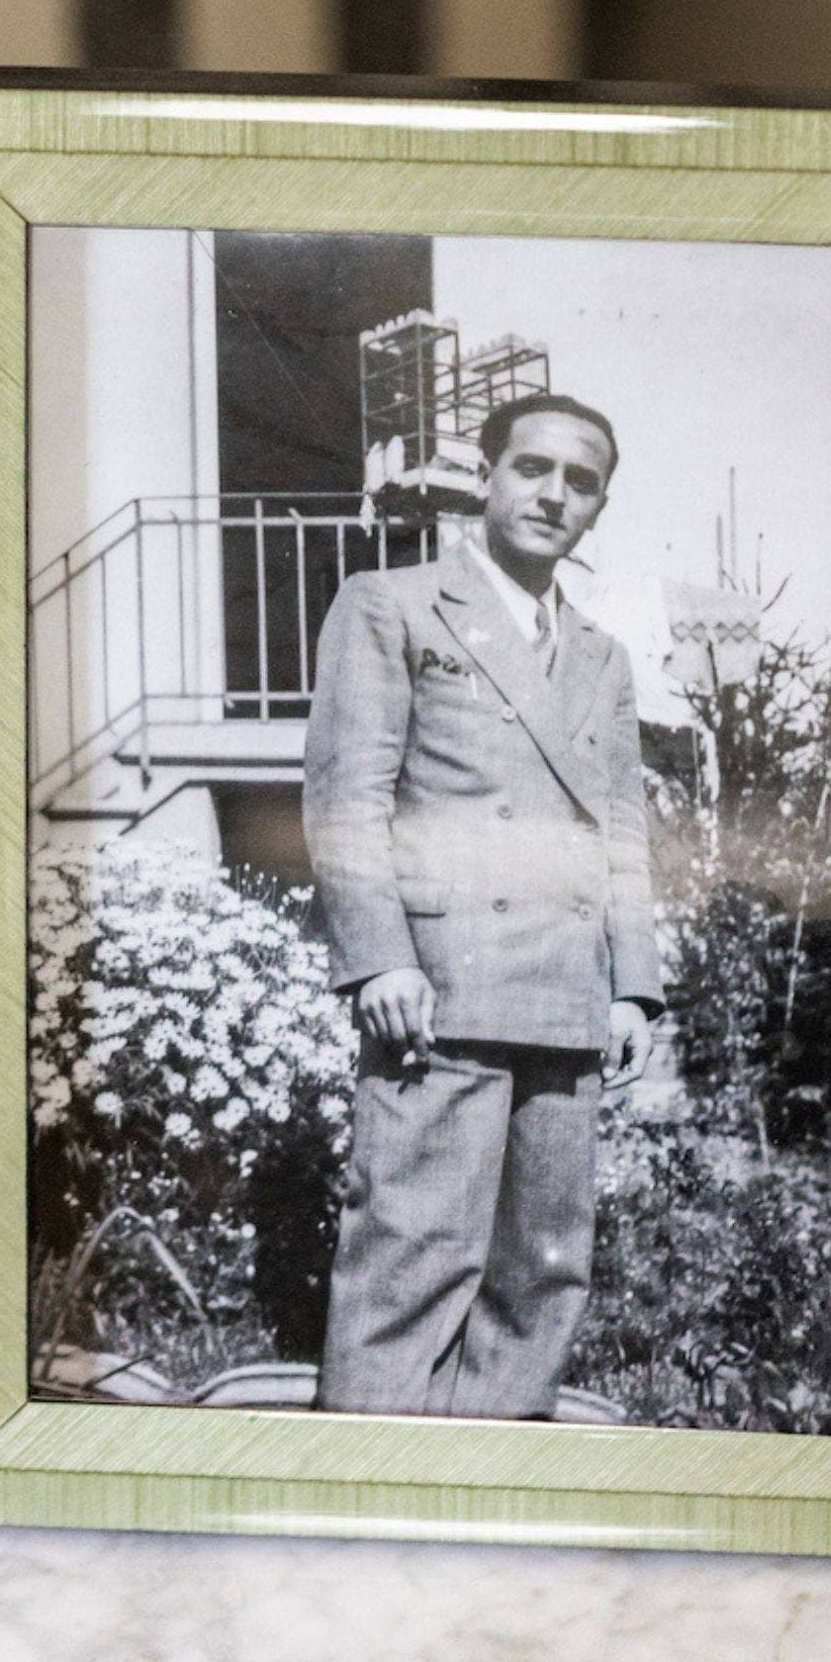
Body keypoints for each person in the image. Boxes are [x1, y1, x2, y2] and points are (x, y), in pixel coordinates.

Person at [302, 392, 663, 1417]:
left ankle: (491, 1482)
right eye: (532, 468)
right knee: (409, 1263)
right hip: (441, 997)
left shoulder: (602, 656)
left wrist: (632, 987)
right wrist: (380, 958)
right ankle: (365, 1487)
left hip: (568, 1004)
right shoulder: (393, 604)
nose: (554, 495)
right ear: (487, 477)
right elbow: (346, 798)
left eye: (581, 482)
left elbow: (620, 829)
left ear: (598, 507)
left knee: (542, 1278)